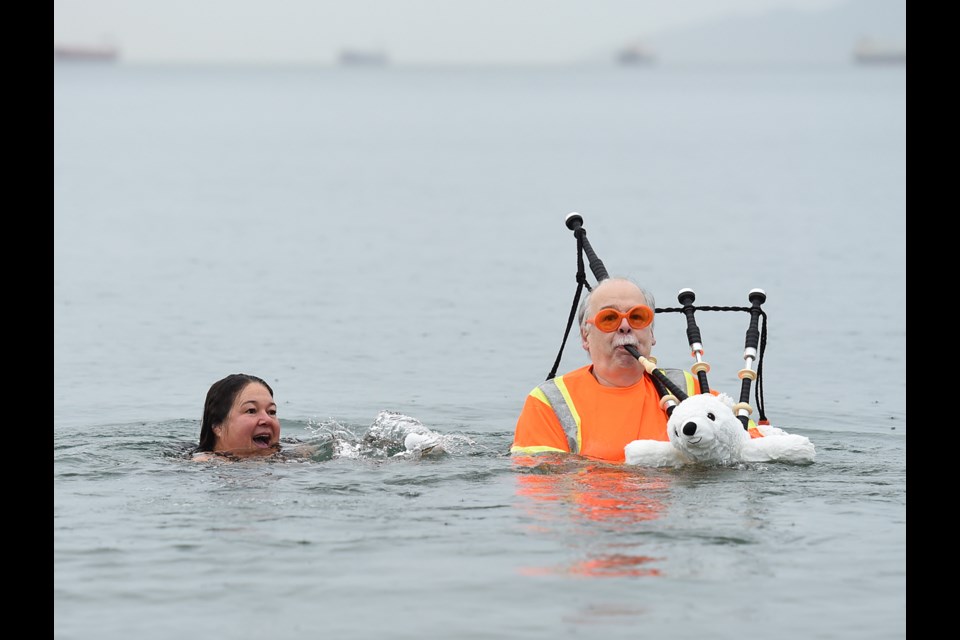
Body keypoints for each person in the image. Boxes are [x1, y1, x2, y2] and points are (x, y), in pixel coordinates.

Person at [511, 277, 702, 464]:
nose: (625, 327)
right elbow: (539, 485)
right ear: (586, 337)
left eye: (637, 317)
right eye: (609, 318)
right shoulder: (548, 402)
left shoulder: (687, 389)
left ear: (651, 333)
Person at [193, 373, 282, 461]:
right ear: (218, 426)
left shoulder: (289, 456)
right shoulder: (202, 464)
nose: (267, 419)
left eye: (272, 412)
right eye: (251, 411)